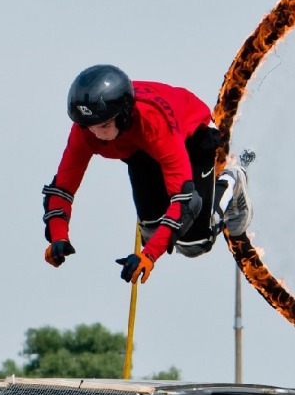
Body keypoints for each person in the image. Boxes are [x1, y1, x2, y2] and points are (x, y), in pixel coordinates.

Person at [40, 64, 251, 283]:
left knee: (195, 244)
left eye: (102, 125)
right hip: (139, 150)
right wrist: (58, 236)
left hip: (188, 140)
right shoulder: (86, 130)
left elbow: (186, 202)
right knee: (151, 232)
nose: (95, 133)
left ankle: (230, 181)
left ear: (123, 115)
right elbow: (62, 188)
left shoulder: (155, 123)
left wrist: (149, 256)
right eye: (87, 125)